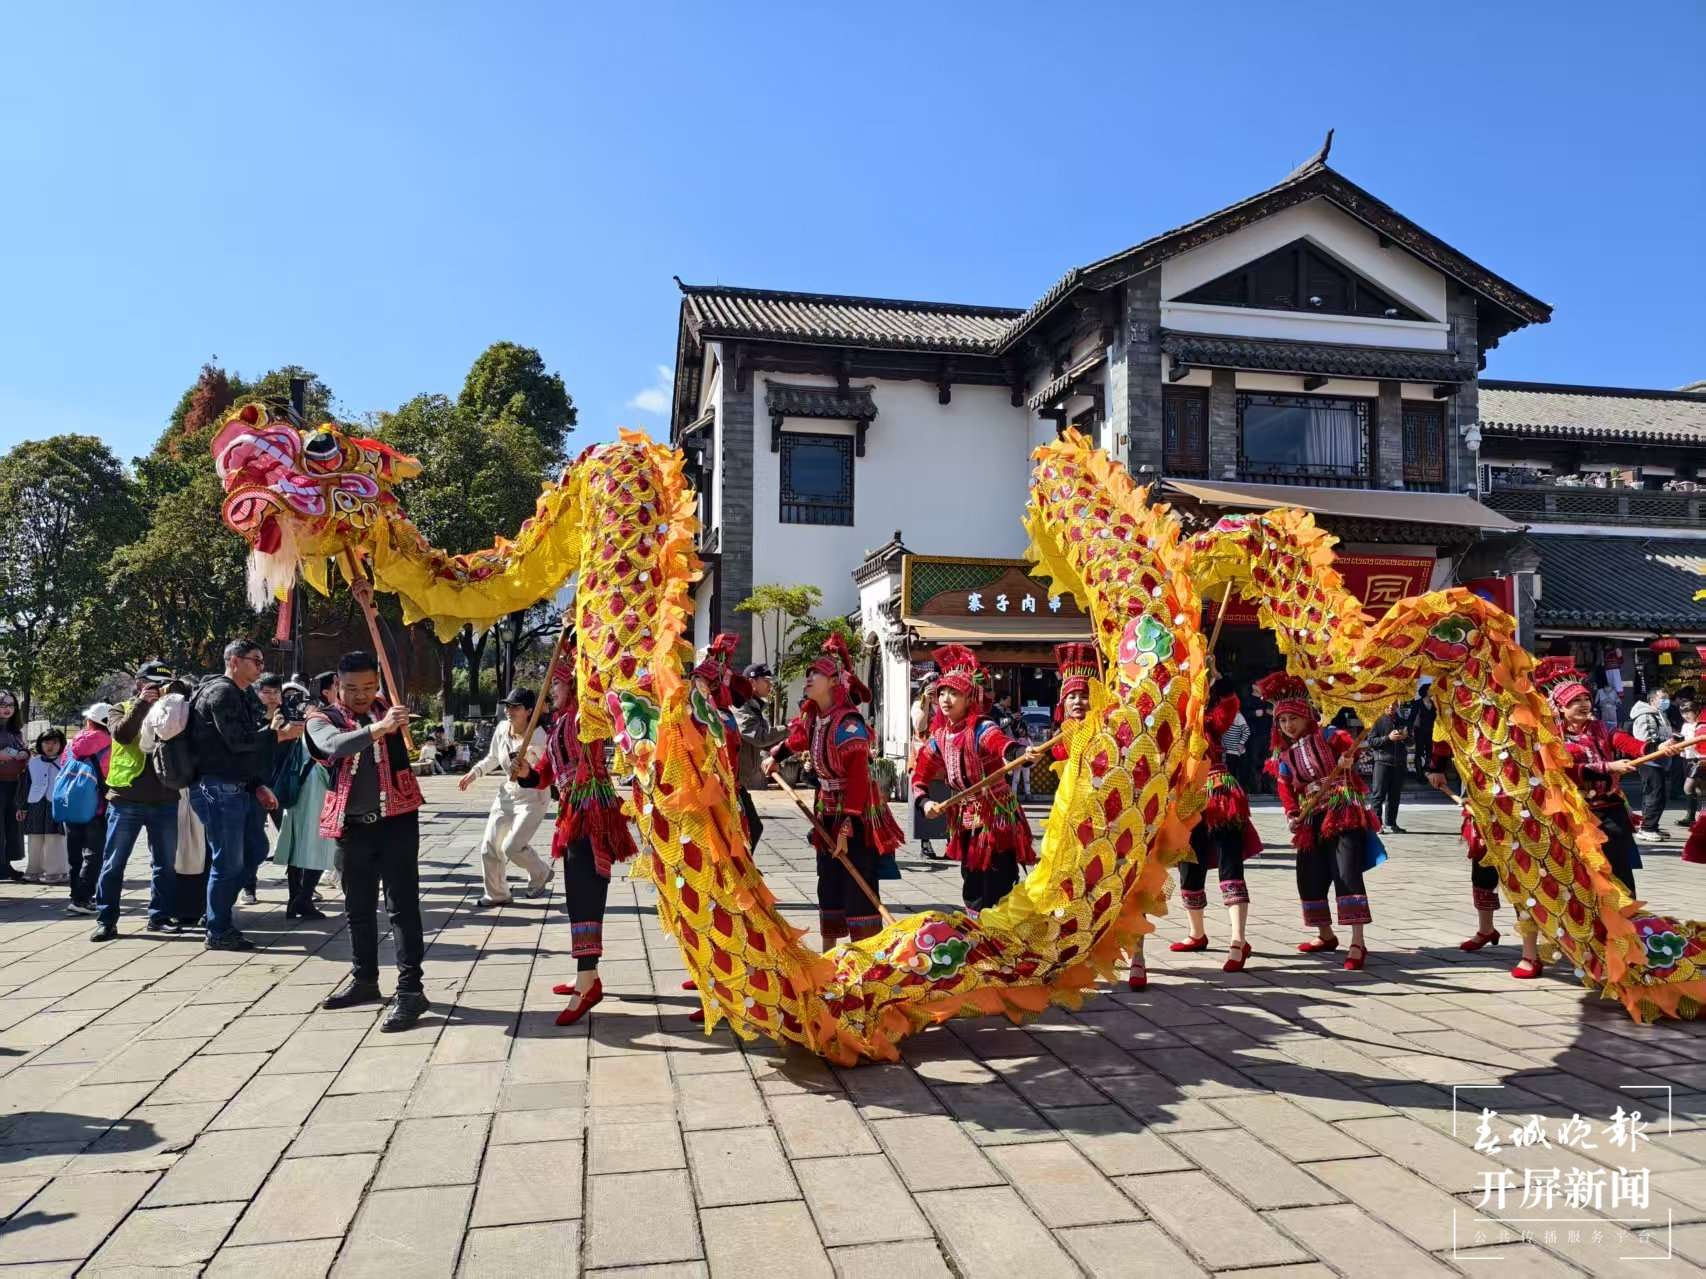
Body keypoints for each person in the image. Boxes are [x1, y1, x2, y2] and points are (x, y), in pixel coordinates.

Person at [312, 645, 428, 1032]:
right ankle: (364, 979)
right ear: (336, 687)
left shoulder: (392, 708)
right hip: (353, 825)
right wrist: (379, 729)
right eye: (350, 688)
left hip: (397, 822)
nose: (361, 695)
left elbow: (393, 654)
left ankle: (411, 989)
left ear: (377, 683)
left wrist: (374, 612)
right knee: (358, 908)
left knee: (402, 907)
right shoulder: (322, 719)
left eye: (368, 686)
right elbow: (333, 746)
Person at [765, 634, 903, 946]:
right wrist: (775, 757)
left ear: (833, 682)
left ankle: (867, 952)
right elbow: (798, 740)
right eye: (809, 673)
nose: (808, 677)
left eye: (816, 673)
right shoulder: (816, 717)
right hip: (826, 808)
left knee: (858, 882)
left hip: (855, 812)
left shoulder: (848, 724)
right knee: (828, 881)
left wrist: (847, 826)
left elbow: (856, 778)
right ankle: (830, 954)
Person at [526, 645, 638, 1026]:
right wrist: (523, 773)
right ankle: (585, 975)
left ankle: (587, 980)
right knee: (577, 895)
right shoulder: (558, 724)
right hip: (571, 812)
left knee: (586, 893)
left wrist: (583, 656)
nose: (551, 690)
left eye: (556, 684)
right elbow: (544, 771)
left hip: (592, 811)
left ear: (571, 685)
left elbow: (603, 710)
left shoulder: (582, 718)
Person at [1256, 671, 1386, 971]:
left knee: (1346, 872)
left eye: (1292, 719)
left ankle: (1357, 941)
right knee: (1308, 874)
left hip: (1342, 808)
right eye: (1282, 721)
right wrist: (1291, 815)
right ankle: (1325, 935)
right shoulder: (1286, 756)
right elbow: (1285, 788)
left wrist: (1347, 760)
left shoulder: (1327, 735)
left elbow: (1354, 746)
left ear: (1305, 716)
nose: (1288, 726)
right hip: (1311, 816)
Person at [912, 645, 1041, 914]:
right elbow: (920, 774)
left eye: (954, 692)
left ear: (970, 698)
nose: (946, 699)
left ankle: (1000, 938)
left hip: (996, 815)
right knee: (971, 882)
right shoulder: (939, 737)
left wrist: (1021, 752)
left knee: (997, 880)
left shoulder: (981, 727)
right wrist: (924, 803)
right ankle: (977, 933)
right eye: (942, 692)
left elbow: (1001, 744)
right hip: (965, 817)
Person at [187, 639, 298, 951]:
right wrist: (278, 733)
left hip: (238, 785)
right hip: (217, 787)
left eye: (262, 662)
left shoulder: (243, 693)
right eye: (255, 660)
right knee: (228, 860)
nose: (261, 667)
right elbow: (237, 742)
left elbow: (241, 751)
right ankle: (218, 928)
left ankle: (215, 912)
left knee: (255, 847)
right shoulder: (221, 692)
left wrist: (256, 784)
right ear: (234, 661)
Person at [1541, 659, 1677, 896]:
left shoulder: (1600, 728)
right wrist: (1608, 767)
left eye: (1585, 699)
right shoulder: (1552, 737)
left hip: (1610, 808)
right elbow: (1565, 769)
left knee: (1619, 867)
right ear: (1561, 707)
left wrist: (1657, 748)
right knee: (1581, 870)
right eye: (1576, 701)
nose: (1584, 704)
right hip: (1574, 812)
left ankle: (1626, 917)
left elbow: (1626, 742)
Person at [1425, 727, 1545, 978]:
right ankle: (1486, 929)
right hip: (1480, 804)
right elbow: (1444, 732)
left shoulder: (1515, 707)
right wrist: (1436, 766)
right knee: (1481, 869)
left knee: (1521, 878)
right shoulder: (1463, 707)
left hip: (1517, 805)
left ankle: (1530, 953)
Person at [1171, 678, 1263, 973]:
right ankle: (1196, 933)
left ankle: (1238, 940)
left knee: (1230, 864)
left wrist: (1216, 678)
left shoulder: (1208, 723)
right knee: (1189, 867)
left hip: (1218, 794)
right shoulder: (1165, 729)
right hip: (1185, 801)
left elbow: (1230, 704)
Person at [92, 663, 184, 938]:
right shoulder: (119, 708)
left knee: (165, 863)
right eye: (151, 683)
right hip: (127, 798)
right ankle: (106, 919)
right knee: (114, 862)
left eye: (163, 683)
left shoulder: (175, 709)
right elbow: (121, 733)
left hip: (166, 796)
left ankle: (160, 916)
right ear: (139, 683)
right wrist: (143, 705)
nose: (157, 688)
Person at [459, 686, 552, 906]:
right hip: (507, 795)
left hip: (533, 797)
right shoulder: (502, 728)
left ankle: (540, 873)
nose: (509, 711)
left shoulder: (541, 737)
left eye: (515, 707)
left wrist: (531, 766)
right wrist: (474, 773)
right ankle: (497, 894)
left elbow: (547, 771)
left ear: (529, 710)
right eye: (507, 706)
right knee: (489, 846)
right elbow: (493, 757)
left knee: (512, 847)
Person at [271, 677, 337, 920]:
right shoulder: (321, 718)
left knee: (297, 844)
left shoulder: (288, 717)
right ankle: (303, 899)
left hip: (295, 786)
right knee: (317, 845)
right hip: (315, 787)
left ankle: (296, 899)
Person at [64, 703, 114, 914]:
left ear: (90, 721)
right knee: (94, 853)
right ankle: (82, 898)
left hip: (70, 804)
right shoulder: (111, 745)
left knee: (74, 854)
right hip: (96, 806)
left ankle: (75, 893)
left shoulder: (73, 743)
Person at [734, 662, 787, 847]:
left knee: (750, 829)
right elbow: (758, 736)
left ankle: (740, 872)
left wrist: (772, 757)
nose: (770, 685)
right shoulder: (740, 706)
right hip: (728, 783)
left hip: (738, 783)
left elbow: (759, 744)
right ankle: (739, 873)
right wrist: (789, 730)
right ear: (752, 682)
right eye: (766, 681)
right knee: (750, 829)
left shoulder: (754, 706)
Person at [18, 727, 68, 883]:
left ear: (61, 744)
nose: (50, 746)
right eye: (46, 742)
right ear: (40, 744)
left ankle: (56, 871)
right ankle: (33, 869)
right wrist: (22, 807)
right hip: (36, 803)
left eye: (55, 742)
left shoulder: (66, 761)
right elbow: (25, 786)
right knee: (35, 838)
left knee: (55, 838)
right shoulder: (33, 763)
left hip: (57, 803)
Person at [1368, 695, 1420, 833]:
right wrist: (1388, 738)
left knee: (1395, 795)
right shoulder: (1377, 721)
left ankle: (1391, 823)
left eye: (1394, 704)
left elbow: (1411, 742)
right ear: (1384, 705)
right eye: (1388, 704)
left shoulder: (1402, 721)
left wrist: (1406, 738)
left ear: (1397, 705)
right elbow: (1372, 742)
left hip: (1399, 763)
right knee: (1378, 795)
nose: (1391, 707)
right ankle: (1376, 824)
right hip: (1382, 762)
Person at [1628, 686, 1674, 843]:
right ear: (1653, 700)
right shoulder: (1645, 716)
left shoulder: (1660, 714)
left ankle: (1652, 826)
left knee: (1657, 794)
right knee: (1654, 794)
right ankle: (1647, 828)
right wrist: (1661, 744)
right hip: (1650, 761)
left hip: (1659, 760)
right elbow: (1645, 740)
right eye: (1663, 697)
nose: (1666, 700)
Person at [911, 676, 945, 859]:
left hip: (943, 759)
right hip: (923, 758)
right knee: (924, 798)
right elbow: (919, 725)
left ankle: (950, 842)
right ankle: (925, 842)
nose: (935, 694)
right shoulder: (918, 705)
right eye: (931, 690)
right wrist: (925, 702)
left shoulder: (944, 705)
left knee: (947, 800)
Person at [0, 690, 26, 881]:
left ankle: (6, 864)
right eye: (3, 704)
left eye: (10, 705)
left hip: (13, 783)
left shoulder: (15, 731)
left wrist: (26, 753)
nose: (7, 708)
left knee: (11, 826)